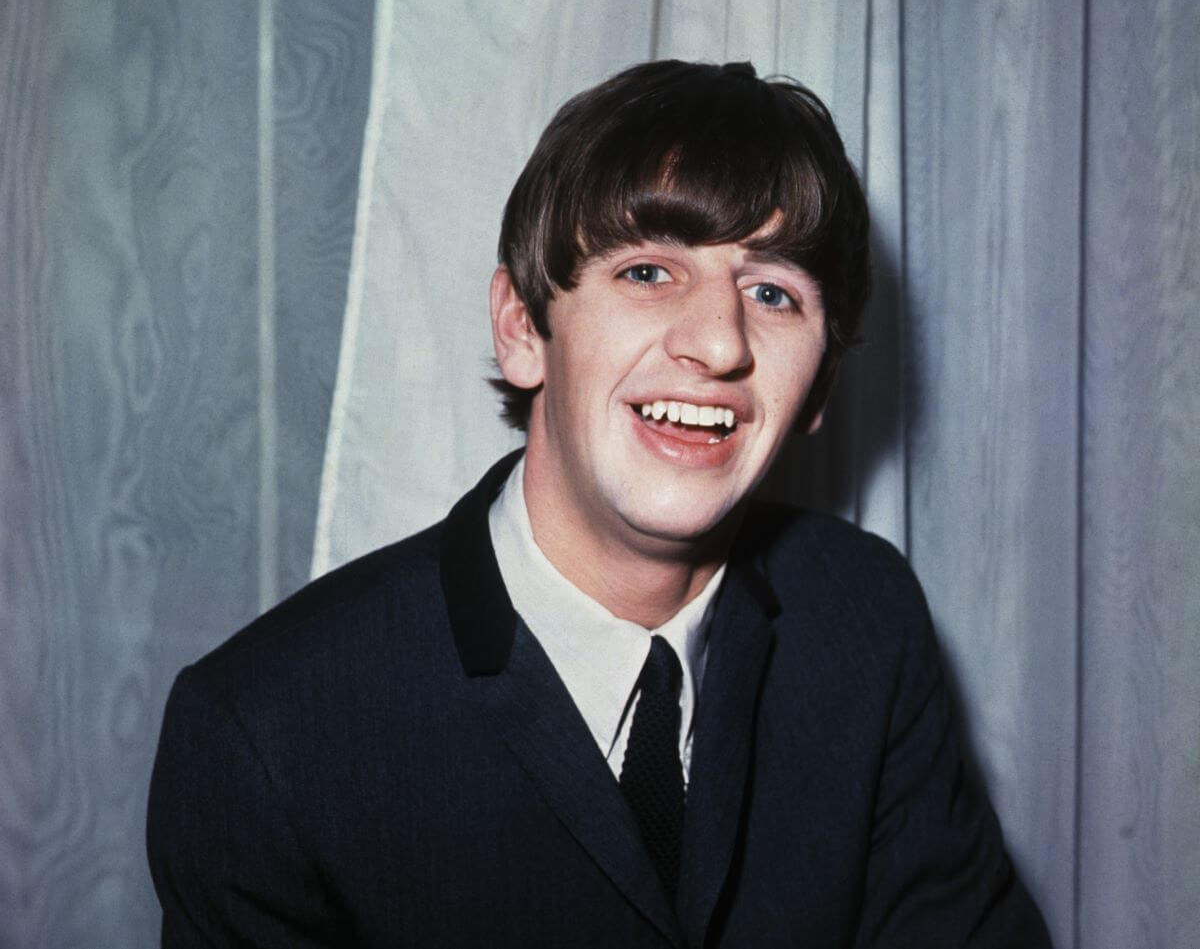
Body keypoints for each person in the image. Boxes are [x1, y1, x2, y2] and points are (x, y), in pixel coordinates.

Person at [147, 59, 1051, 947]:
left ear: (817, 391)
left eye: (772, 292)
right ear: (521, 329)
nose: (717, 341)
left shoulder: (862, 616)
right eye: (648, 272)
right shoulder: (269, 732)